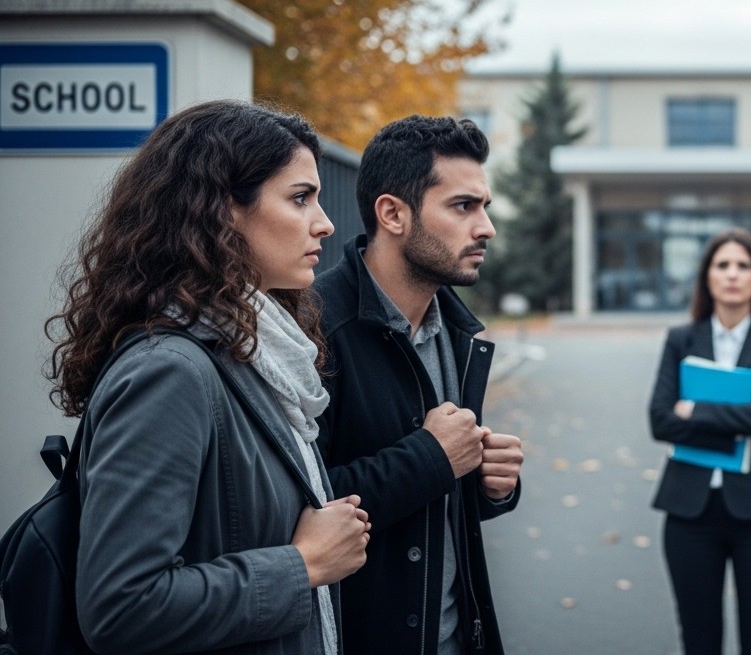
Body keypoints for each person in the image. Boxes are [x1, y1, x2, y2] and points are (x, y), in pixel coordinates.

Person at [47, 99, 371, 654]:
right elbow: (120, 607)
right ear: (221, 212)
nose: (326, 222)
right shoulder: (169, 372)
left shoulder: (252, 354)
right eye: (300, 198)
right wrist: (302, 566)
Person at [313, 115, 523, 655]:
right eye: (462, 206)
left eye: (485, 206)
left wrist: (487, 484)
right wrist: (432, 456)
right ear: (392, 214)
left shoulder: (453, 329)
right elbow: (293, 510)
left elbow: (436, 499)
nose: (486, 228)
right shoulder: (313, 331)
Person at [648, 227, 751, 655]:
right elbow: (660, 421)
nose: (732, 274)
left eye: (743, 265)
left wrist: (693, 410)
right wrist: (744, 408)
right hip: (689, 513)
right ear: (708, 277)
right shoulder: (681, 340)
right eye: (722, 265)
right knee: (698, 641)